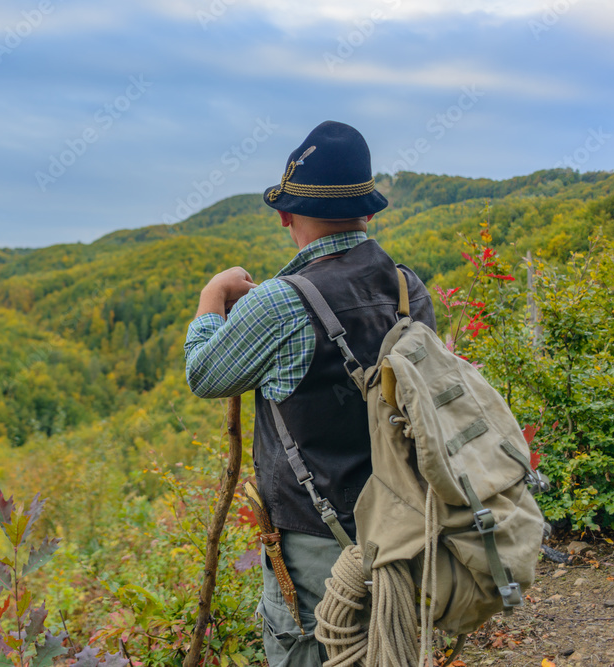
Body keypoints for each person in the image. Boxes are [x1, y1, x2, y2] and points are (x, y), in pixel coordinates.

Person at [184, 121, 436, 666]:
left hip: (316, 540)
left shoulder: (279, 302)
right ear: (368, 212)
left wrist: (213, 295)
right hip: (405, 527)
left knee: (310, 648)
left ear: (286, 216)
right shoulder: (407, 288)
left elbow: (204, 374)